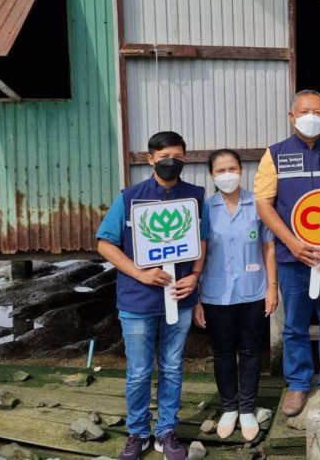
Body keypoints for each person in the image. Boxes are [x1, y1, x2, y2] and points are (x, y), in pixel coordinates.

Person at [96, 131, 208, 460]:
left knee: (172, 367)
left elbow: (203, 240)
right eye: (164, 158)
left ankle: (166, 430)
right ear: (150, 160)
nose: (171, 163)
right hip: (137, 299)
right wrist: (140, 273)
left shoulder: (196, 196)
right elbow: (105, 243)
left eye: (178, 158)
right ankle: (138, 433)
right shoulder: (129, 198)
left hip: (179, 298)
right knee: (139, 371)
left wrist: (195, 276)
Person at [254, 90, 320, 417]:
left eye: (317, 112)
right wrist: (291, 242)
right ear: (292, 117)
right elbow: (264, 204)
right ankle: (298, 383)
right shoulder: (274, 155)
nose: (310, 117)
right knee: (294, 325)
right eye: (303, 112)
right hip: (293, 257)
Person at [193, 149, 277, 441]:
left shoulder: (258, 205)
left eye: (232, 168)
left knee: (252, 351)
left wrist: (272, 287)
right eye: (220, 170)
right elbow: (198, 254)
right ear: (212, 175)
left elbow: (268, 247)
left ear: (241, 171)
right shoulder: (205, 209)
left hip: (253, 290)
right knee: (223, 352)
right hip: (216, 293)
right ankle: (229, 407)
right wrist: (197, 299)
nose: (227, 175)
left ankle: (247, 408)